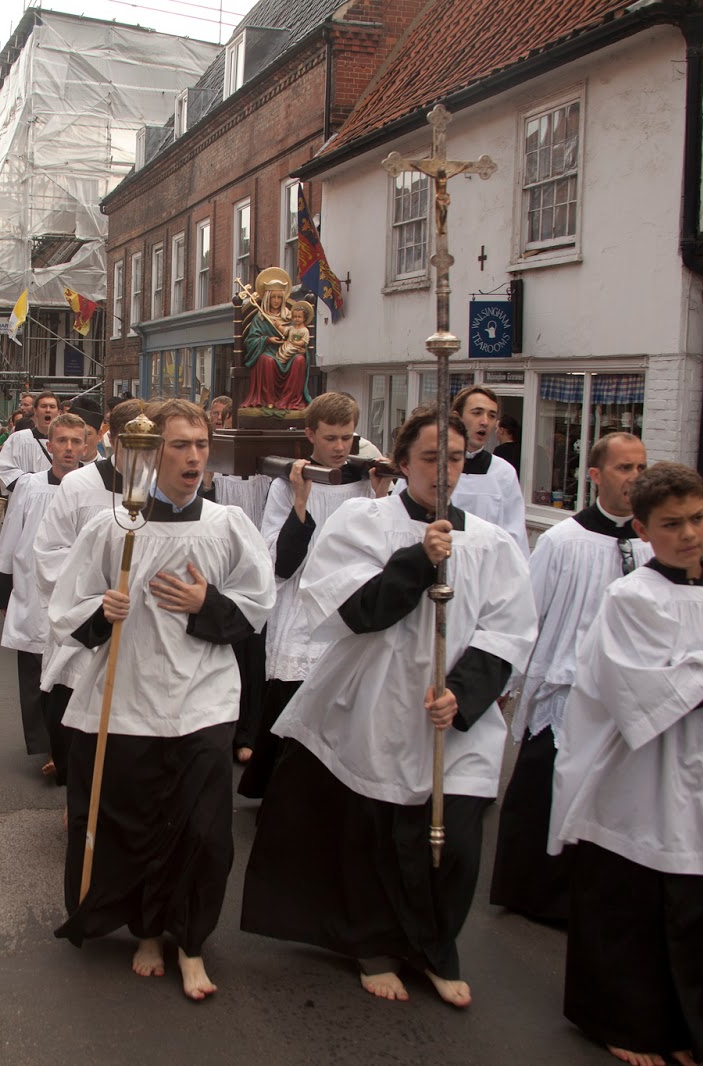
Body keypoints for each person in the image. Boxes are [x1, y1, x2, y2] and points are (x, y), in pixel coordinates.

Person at [242, 408, 536, 1007]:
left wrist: (467, 694)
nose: (445, 471)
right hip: (373, 700)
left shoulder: (491, 542)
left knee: (453, 843)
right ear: (402, 464)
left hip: (451, 715)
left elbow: (509, 629)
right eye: (431, 459)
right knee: (374, 833)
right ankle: (372, 944)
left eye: (455, 459)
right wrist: (417, 560)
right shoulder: (362, 522)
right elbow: (352, 611)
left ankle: (433, 948)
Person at [549, 462, 703, 1066]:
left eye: (697, 518)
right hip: (641, 775)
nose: (689, 534)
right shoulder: (631, 598)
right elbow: (645, 695)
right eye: (672, 524)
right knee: (635, 909)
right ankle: (618, 1020)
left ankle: (680, 1021)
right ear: (645, 532)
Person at [49, 398, 275, 1001]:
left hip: (203, 697)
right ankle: (149, 930)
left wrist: (209, 606)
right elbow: (64, 607)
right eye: (180, 445)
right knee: (137, 823)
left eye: (201, 444)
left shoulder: (227, 527)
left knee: (203, 833)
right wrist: (103, 609)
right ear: (150, 454)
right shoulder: (114, 528)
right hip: (127, 698)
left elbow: (257, 607)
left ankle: (193, 942)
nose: (194, 457)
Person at [488, 432, 651, 924]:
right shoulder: (562, 541)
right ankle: (533, 892)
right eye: (625, 469)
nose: (635, 479)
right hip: (565, 688)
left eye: (642, 468)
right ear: (596, 475)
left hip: (624, 697)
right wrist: (507, 684)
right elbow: (527, 615)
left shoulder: (650, 544)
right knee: (544, 791)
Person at [238, 393, 392, 796]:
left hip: (348, 608)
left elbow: (384, 547)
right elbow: (278, 563)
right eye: (330, 438)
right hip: (303, 606)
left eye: (347, 437)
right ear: (310, 435)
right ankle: (284, 792)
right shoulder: (287, 484)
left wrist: (380, 496)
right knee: (294, 700)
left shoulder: (364, 482)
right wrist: (301, 502)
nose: (340, 447)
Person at [31, 399, 144, 773]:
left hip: (138, 620)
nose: (142, 457)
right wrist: (97, 591)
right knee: (77, 713)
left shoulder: (160, 488)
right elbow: (49, 551)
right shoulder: (79, 485)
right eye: (133, 445)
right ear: (114, 441)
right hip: (88, 617)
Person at [0, 412, 86, 776]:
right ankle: (45, 746)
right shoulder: (31, 486)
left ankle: (66, 744)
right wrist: (4, 591)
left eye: (75, 441)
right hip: (32, 590)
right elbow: (11, 534)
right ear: (50, 446)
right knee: (33, 670)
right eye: (61, 441)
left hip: (74, 594)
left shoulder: (90, 488)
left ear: (84, 445)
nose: (68, 448)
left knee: (67, 671)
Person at [448, 385, 529, 555]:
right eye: (477, 413)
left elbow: (515, 538)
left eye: (491, 415)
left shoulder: (503, 473)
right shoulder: (427, 465)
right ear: (457, 417)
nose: (485, 421)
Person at [241, 269, 310, 410]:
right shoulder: (260, 318)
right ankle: (268, 401)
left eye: (280, 297)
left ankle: (290, 401)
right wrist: (267, 340)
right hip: (268, 351)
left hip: (289, 353)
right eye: (274, 297)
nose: (277, 301)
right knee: (267, 361)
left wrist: (299, 346)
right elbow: (250, 341)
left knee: (300, 360)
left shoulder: (291, 316)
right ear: (267, 298)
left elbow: (300, 334)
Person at [0, 390, 60, 492]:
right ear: (35, 411)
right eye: (43, 406)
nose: (48, 410)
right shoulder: (18, 439)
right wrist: (38, 484)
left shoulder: (66, 443)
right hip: (25, 502)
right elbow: (5, 470)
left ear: (58, 412)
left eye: (52, 407)